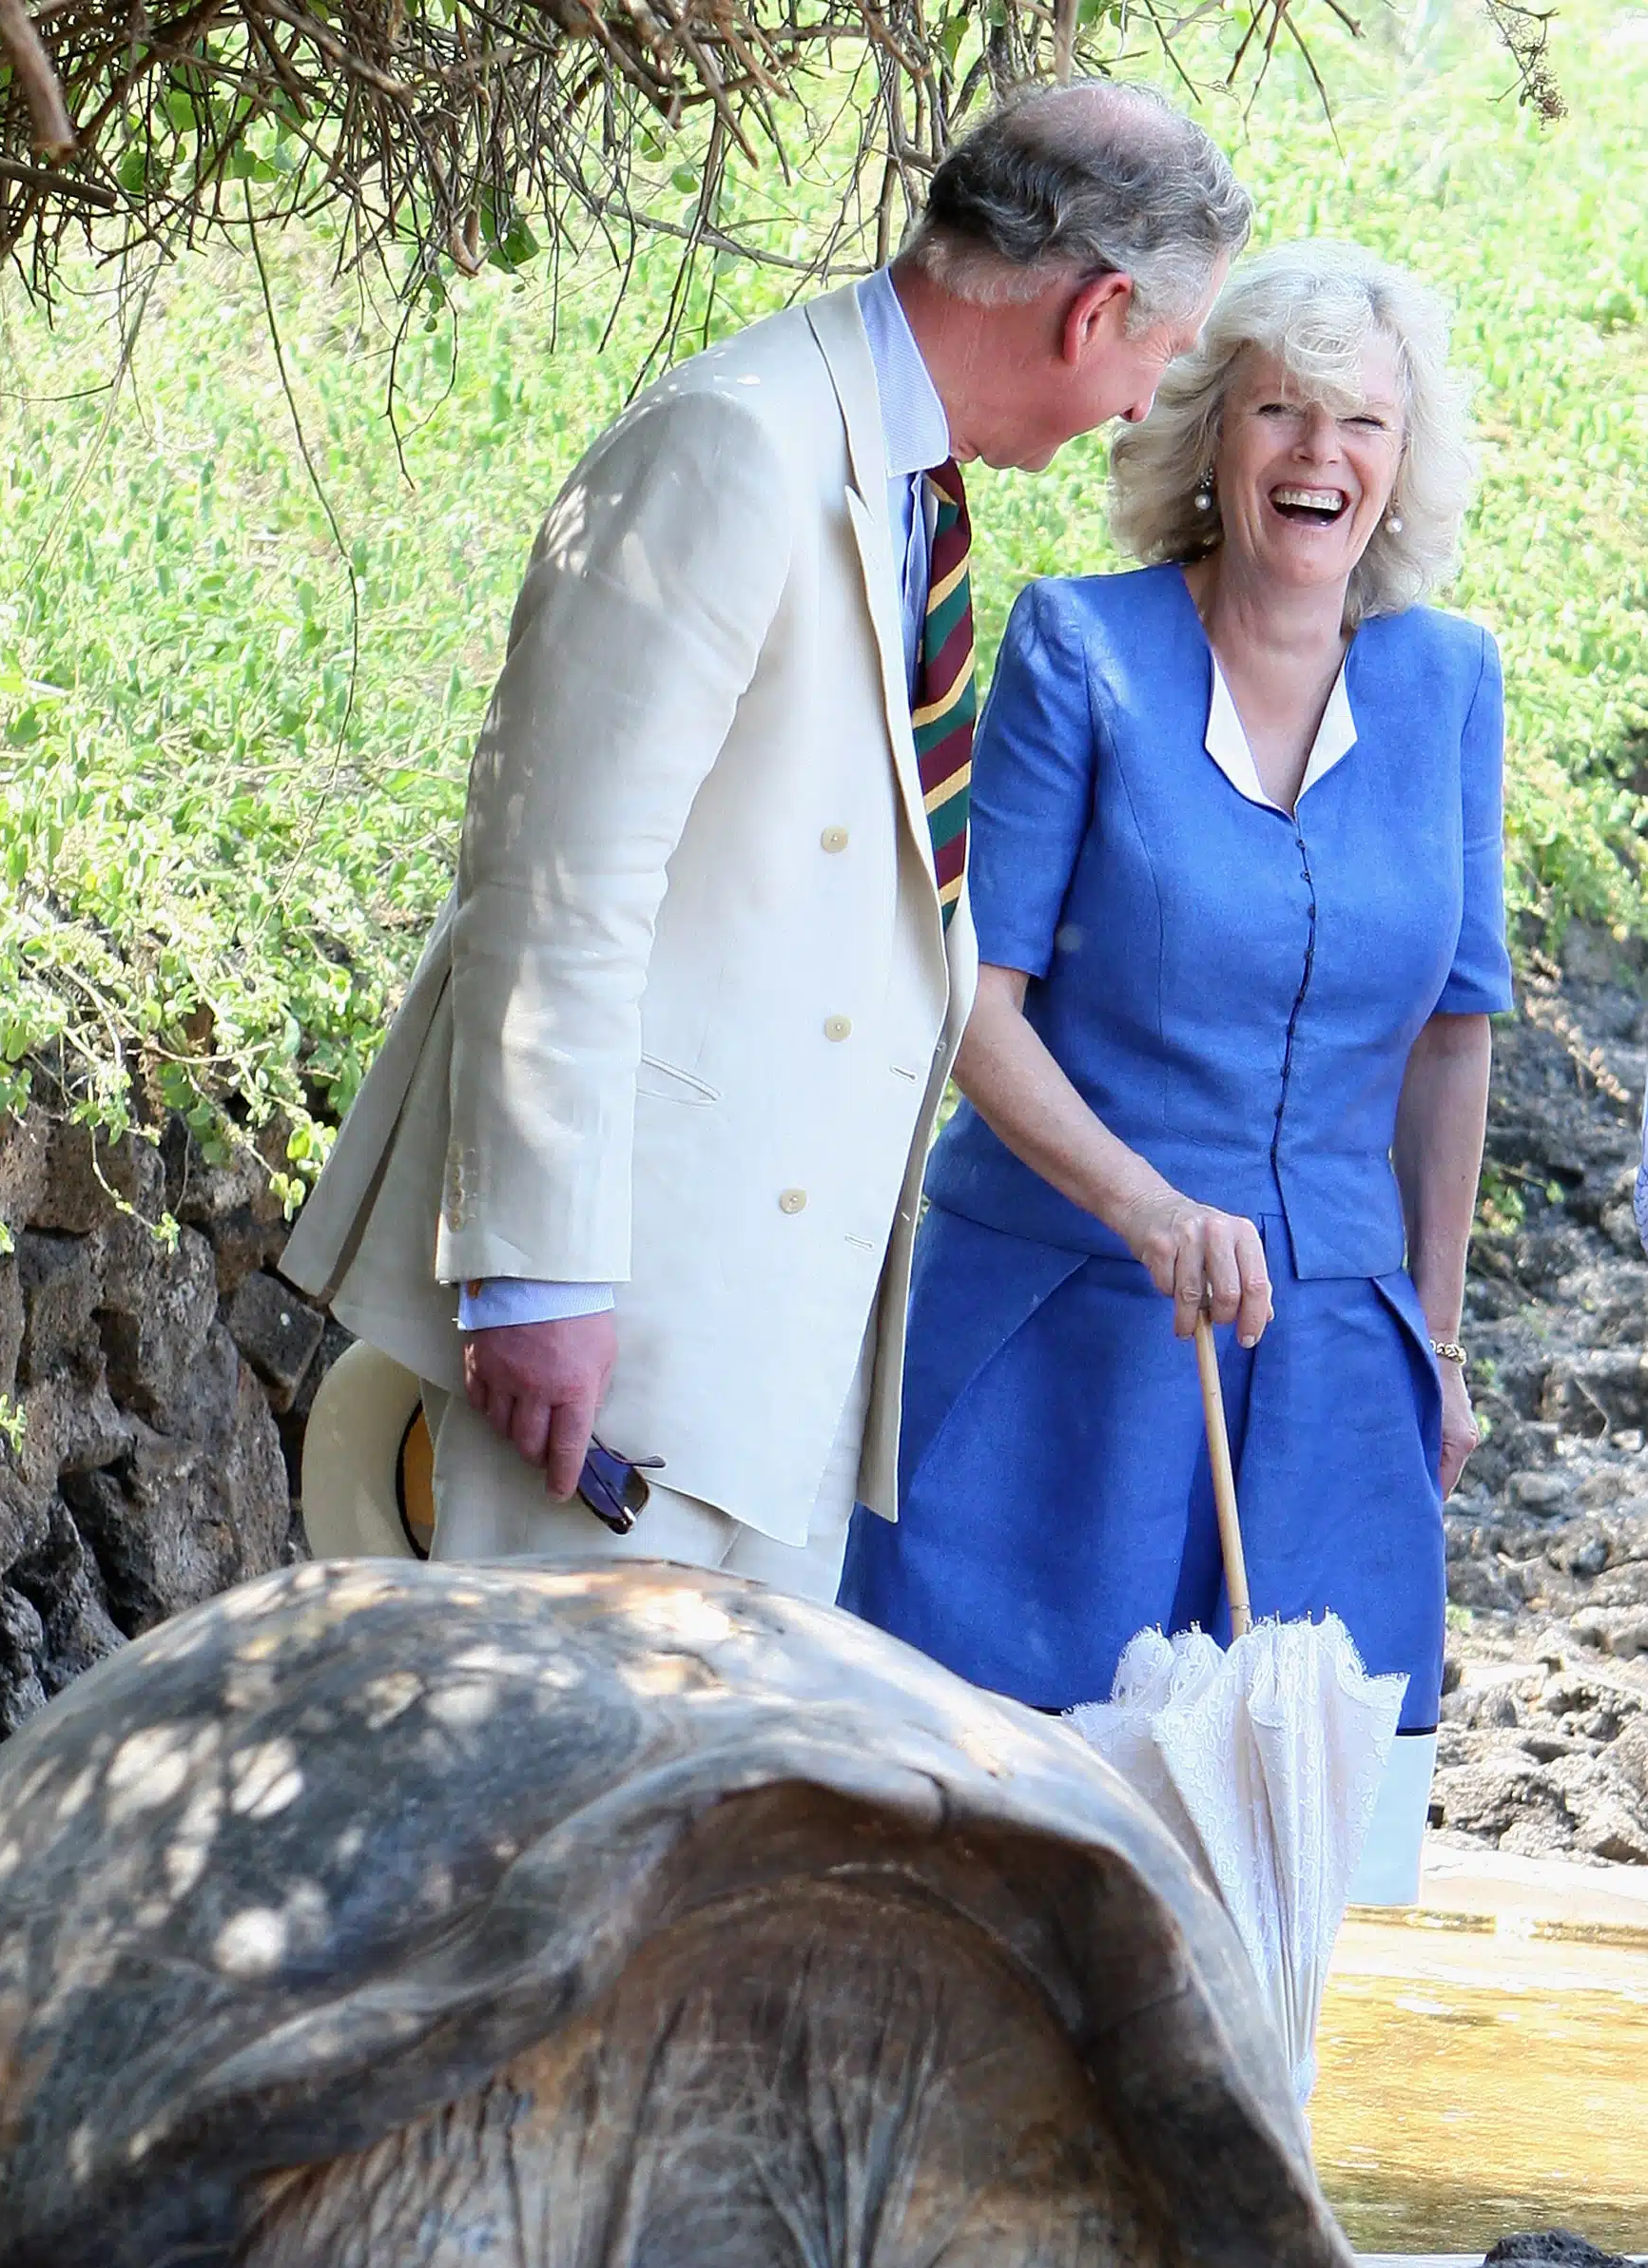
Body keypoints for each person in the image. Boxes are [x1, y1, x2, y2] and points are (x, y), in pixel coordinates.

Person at [278, 86, 1249, 1599]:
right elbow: (556, 879)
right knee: (569, 1803)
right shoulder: (729, 445)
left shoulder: (895, 474)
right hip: (626, 1330)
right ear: (1095, 310)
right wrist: (536, 1273)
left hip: (774, 1344)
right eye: (1161, 356)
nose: (1143, 404)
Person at [840, 239, 1508, 1897]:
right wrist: (1147, 1208)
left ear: (1401, 461)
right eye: (1279, 410)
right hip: (1058, 1346)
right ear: (1210, 435)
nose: (1320, 456)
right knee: (987, 1871)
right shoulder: (1083, 652)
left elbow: (1451, 1033)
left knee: (1288, 1884)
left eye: (1361, 422)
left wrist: (1433, 1331)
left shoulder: (1449, 685)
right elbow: (967, 1005)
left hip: (1342, 1378)